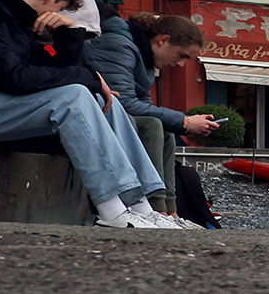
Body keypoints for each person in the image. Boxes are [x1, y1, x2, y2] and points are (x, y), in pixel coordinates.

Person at [0, 0, 184, 228]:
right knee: (74, 96)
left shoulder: (19, 16)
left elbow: (50, 71)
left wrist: (68, 34)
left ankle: (141, 205)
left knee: (104, 100)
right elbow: (14, 77)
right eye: (59, 8)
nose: (56, 14)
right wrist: (88, 78)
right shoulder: (1, 13)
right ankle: (111, 210)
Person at [85, 11, 221, 227]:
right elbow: (123, 103)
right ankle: (153, 208)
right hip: (94, 115)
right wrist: (185, 122)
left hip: (111, 115)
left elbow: (143, 106)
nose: (180, 65)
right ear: (163, 40)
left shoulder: (145, 55)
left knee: (164, 129)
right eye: (182, 56)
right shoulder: (119, 46)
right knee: (152, 126)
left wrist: (181, 123)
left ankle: (169, 213)